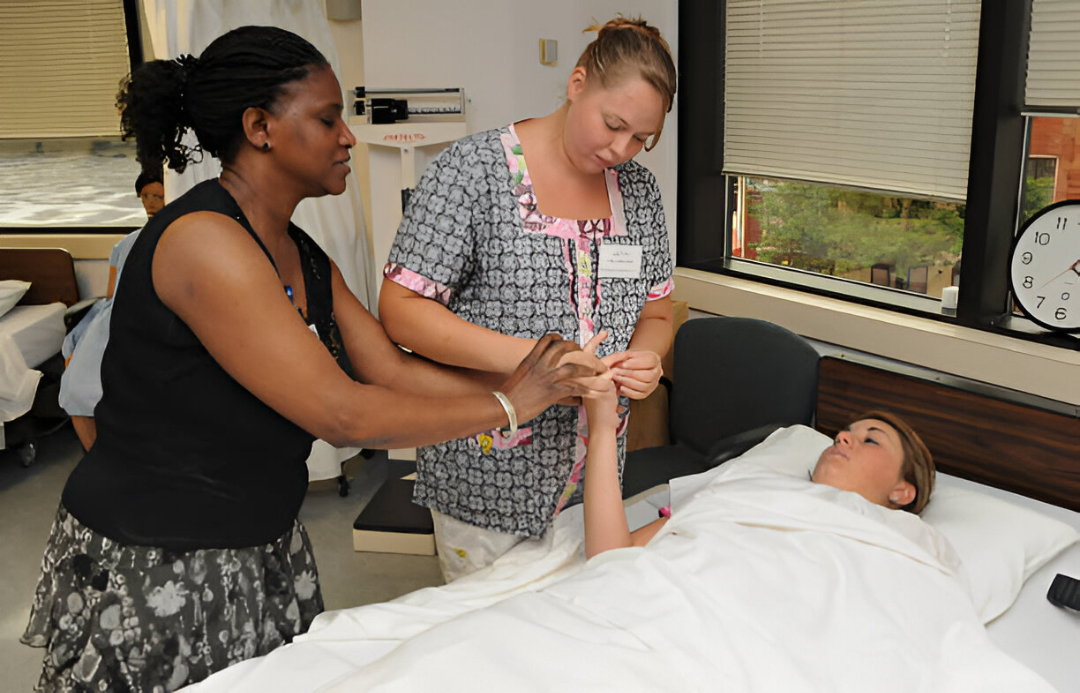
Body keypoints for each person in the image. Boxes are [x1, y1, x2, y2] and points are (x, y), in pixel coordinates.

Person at [23, 26, 607, 692]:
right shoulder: (204, 243)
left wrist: (541, 382)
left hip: (258, 538)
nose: (348, 137)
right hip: (162, 553)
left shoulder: (299, 251)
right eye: (328, 119)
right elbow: (343, 414)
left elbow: (389, 368)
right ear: (260, 128)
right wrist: (510, 404)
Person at [378, 16, 678, 581]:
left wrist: (647, 356)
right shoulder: (472, 172)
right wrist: (540, 363)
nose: (621, 149)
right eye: (613, 124)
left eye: (642, 138)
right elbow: (402, 311)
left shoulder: (639, 193)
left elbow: (657, 311)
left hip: (595, 482)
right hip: (487, 473)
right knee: (490, 625)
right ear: (577, 83)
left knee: (579, 618)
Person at [582, 375, 936, 558]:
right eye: (844, 433)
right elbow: (610, 556)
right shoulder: (746, 490)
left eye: (871, 440)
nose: (843, 437)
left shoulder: (904, 543)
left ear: (902, 491)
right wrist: (602, 428)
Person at [62, 168, 165, 450]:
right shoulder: (124, 245)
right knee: (76, 385)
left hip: (151, 318)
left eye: (158, 196)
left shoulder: (181, 241)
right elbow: (111, 295)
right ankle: (96, 457)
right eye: (145, 196)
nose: (150, 203)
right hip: (114, 316)